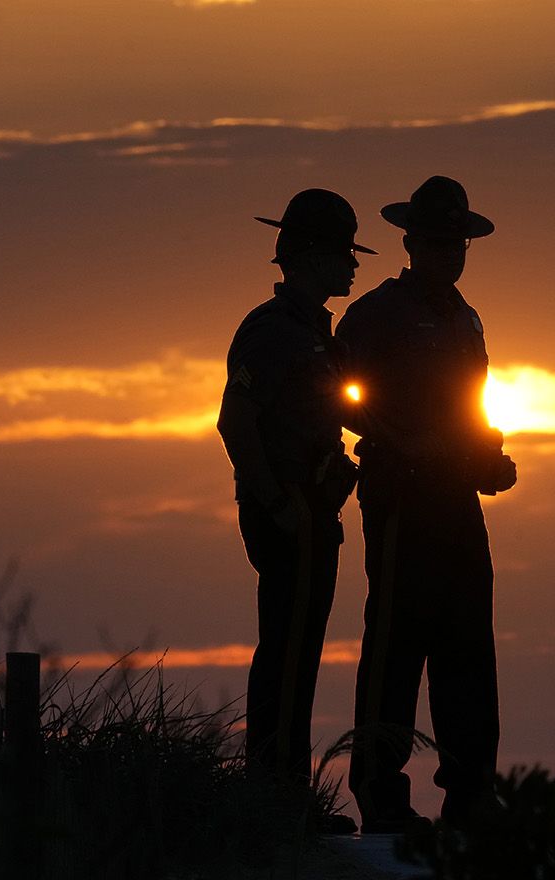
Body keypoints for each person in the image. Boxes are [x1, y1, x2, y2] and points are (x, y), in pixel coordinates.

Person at [336, 175, 516, 833]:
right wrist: (393, 438)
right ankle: (381, 792)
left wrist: (489, 455)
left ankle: (472, 792)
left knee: (468, 644)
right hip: (400, 497)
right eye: (439, 241)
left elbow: (474, 407)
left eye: (458, 242)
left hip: (456, 499)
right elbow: (337, 390)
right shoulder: (376, 314)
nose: (450, 252)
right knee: (394, 643)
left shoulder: (466, 319)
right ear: (412, 243)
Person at [217, 188, 372, 834]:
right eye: (343, 253)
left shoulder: (312, 335)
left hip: (310, 512)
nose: (354, 266)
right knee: (286, 650)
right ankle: (276, 800)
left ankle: (282, 795)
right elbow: (235, 421)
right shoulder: (273, 332)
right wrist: (280, 502)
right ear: (310, 257)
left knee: (299, 648)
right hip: (291, 516)